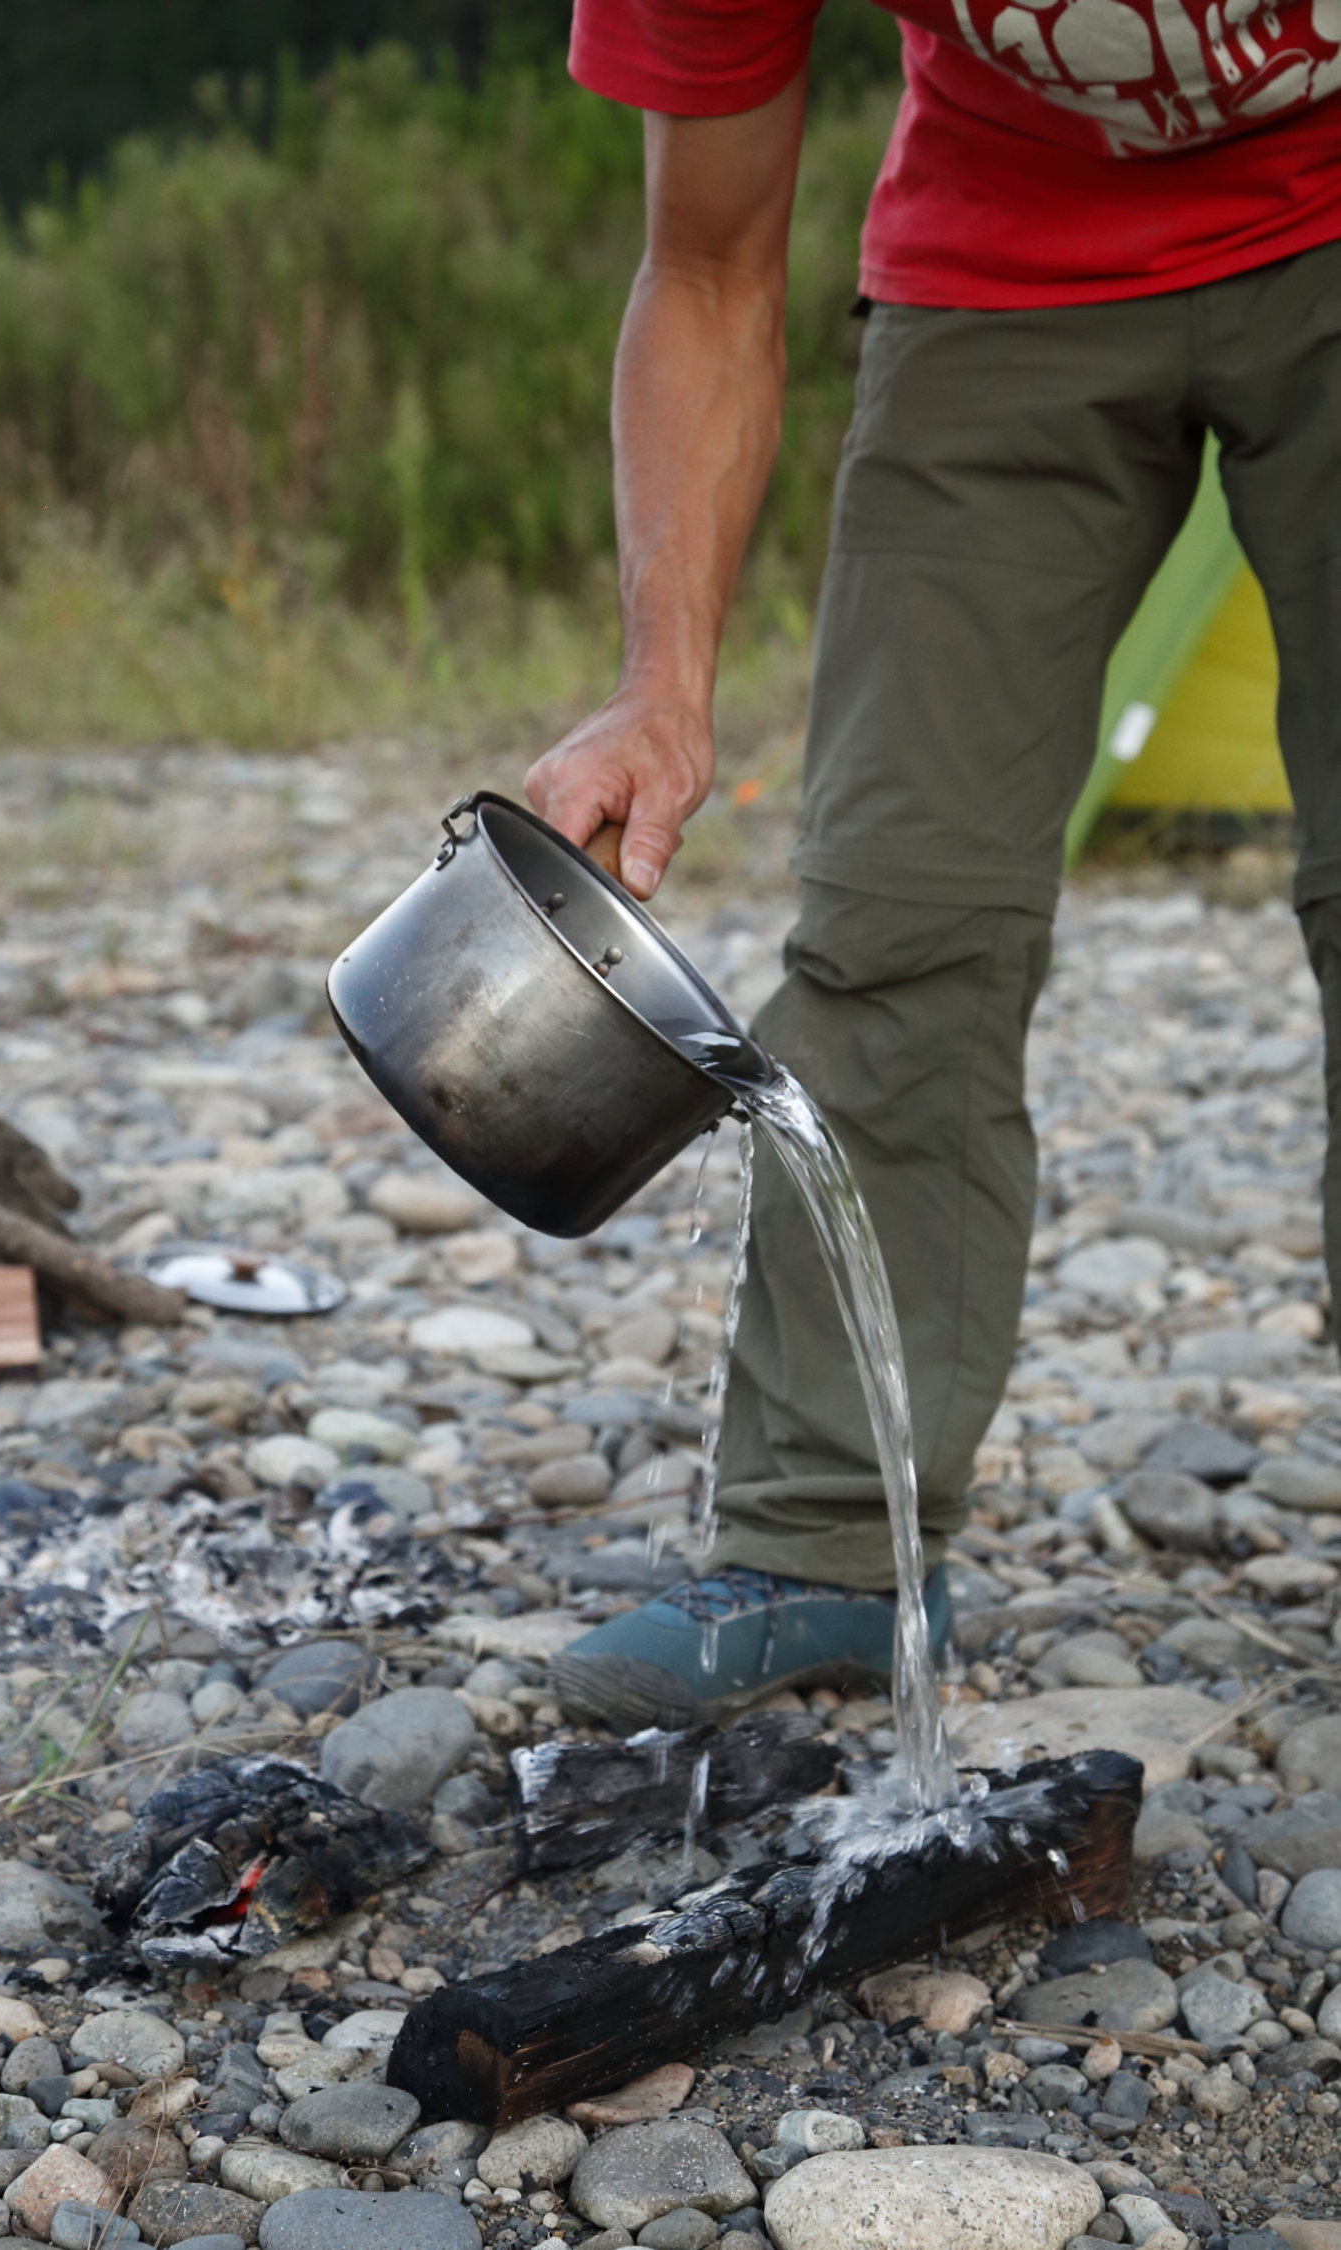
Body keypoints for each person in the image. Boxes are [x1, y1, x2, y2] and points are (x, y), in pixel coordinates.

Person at [529, 0, 1341, 1735]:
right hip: (1010, 271)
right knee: (899, 912)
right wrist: (661, 689)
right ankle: (828, 1539)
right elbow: (709, 267)